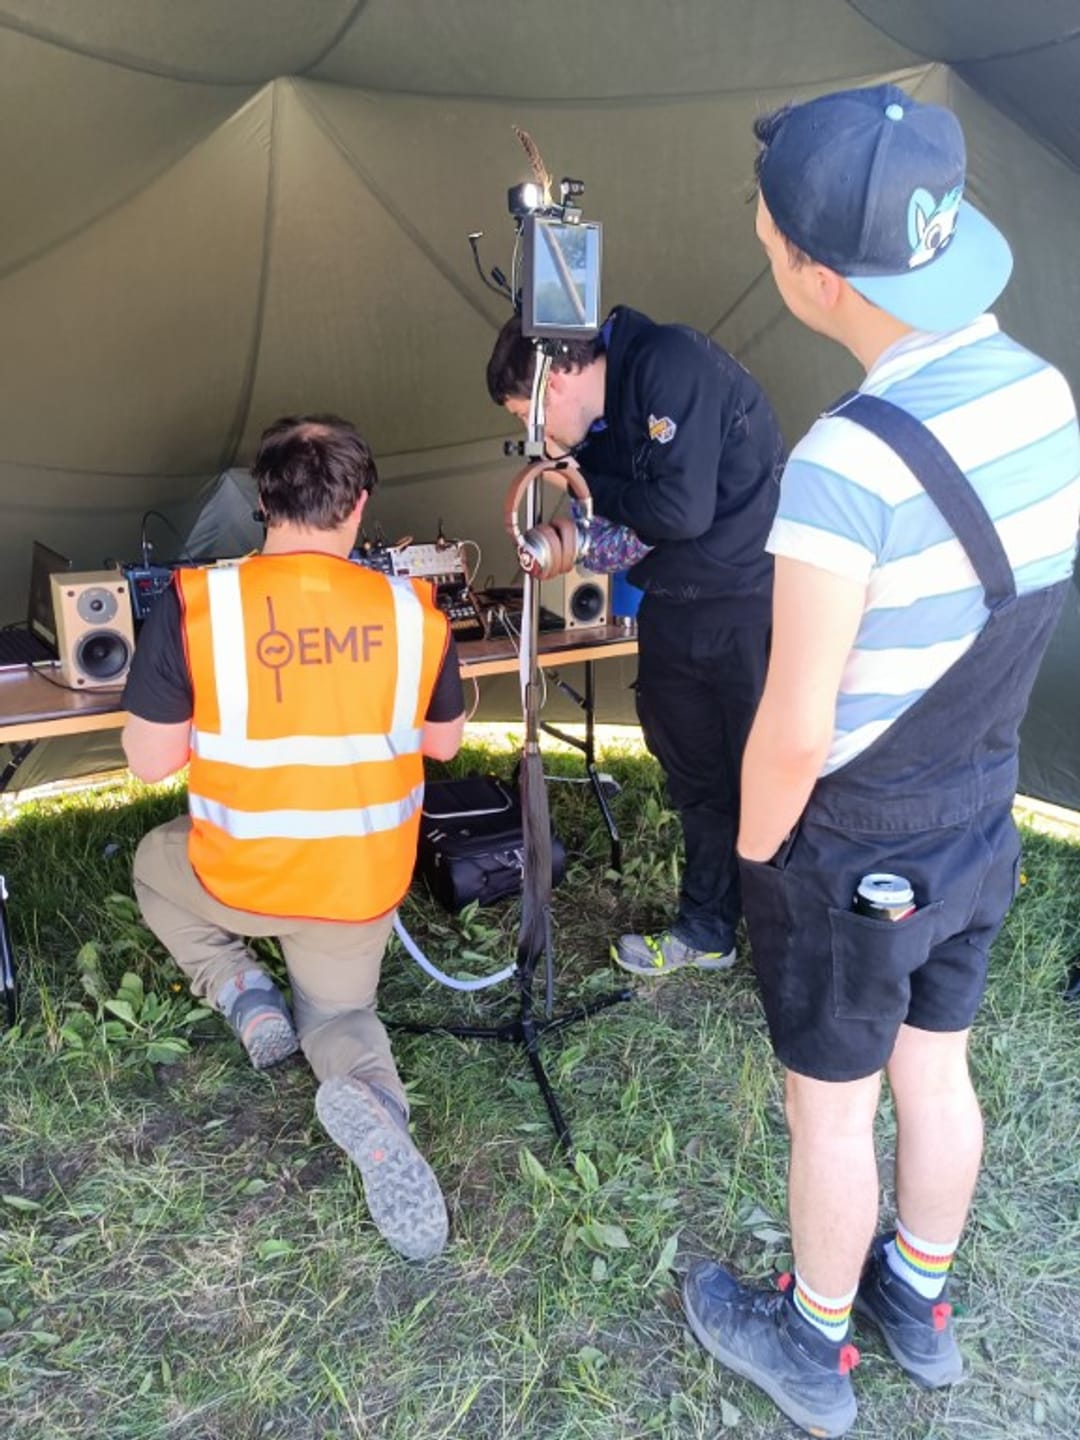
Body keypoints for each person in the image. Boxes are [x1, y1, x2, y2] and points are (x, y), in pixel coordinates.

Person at [681, 85, 1080, 1437]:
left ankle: (812, 1344)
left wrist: (752, 859)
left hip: (854, 849)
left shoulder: (844, 467)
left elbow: (795, 726)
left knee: (832, 1115)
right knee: (937, 1068)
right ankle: (919, 1300)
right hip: (977, 814)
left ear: (813, 272)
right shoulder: (1045, 393)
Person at [122, 415, 466, 1263]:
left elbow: (148, 764)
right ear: (360, 505)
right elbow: (447, 743)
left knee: (152, 864)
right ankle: (376, 1104)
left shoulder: (200, 603)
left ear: (263, 502)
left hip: (237, 875)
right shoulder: (411, 610)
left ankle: (240, 988)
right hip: (357, 889)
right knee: (343, 1014)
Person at [486, 308, 784, 977]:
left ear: (551, 384)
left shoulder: (664, 362)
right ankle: (708, 929)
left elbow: (681, 509)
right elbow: (621, 518)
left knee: (772, 781)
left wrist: (571, 472)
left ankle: (792, 947)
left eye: (521, 415)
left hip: (749, 608)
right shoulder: (602, 422)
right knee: (699, 780)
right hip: (673, 609)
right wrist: (574, 522)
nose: (530, 434)